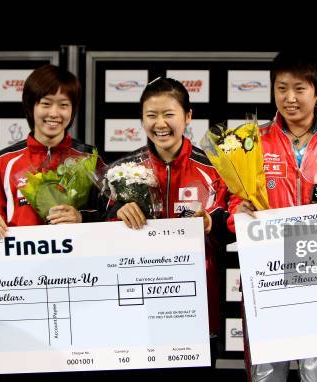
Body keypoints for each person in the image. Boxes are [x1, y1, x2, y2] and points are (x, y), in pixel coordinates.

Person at [229, 51, 317, 382]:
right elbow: (233, 206)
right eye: (281, 88)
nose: (289, 98)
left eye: (299, 89)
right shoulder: (250, 142)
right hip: (267, 276)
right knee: (266, 375)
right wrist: (239, 215)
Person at [105, 77, 234, 365]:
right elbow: (101, 233)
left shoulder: (213, 169)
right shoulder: (123, 172)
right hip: (139, 307)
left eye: (169, 114)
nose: (160, 123)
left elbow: (232, 222)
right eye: (151, 115)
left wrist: (210, 222)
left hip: (197, 306)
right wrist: (117, 213)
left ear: (188, 116)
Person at [0, 64, 101, 237]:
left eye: (63, 105)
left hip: (76, 258)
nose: (54, 113)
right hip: (20, 259)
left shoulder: (88, 157)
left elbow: (110, 212)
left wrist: (81, 217)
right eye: (46, 104)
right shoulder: (5, 161)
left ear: (72, 109)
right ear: (31, 107)